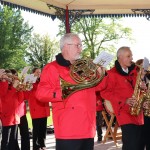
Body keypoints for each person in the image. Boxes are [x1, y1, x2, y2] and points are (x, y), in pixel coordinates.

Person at [36, 33, 104, 150]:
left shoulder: (83, 67)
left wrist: (101, 74)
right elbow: (40, 94)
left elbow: (99, 87)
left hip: (88, 127)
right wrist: (63, 92)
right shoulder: (51, 67)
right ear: (66, 46)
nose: (80, 49)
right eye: (77, 45)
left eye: (81, 45)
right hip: (68, 129)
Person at [98, 47, 145, 150]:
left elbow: (137, 91)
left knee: (140, 144)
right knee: (131, 145)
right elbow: (104, 93)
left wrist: (142, 88)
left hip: (138, 112)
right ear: (120, 57)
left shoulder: (134, 72)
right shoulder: (111, 74)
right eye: (128, 56)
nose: (131, 58)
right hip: (124, 113)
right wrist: (124, 100)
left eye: (131, 56)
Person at [24, 67, 50, 150]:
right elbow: (27, 93)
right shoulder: (30, 82)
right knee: (36, 129)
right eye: (37, 72)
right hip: (36, 108)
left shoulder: (42, 81)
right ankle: (36, 146)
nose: (39, 73)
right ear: (33, 73)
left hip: (43, 107)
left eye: (40, 72)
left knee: (43, 128)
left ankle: (42, 145)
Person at [0, 69, 24, 150]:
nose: (10, 78)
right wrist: (13, 87)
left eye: (10, 76)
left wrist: (19, 89)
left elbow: (20, 100)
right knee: (5, 141)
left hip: (15, 116)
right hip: (7, 116)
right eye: (8, 76)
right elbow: (5, 99)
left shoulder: (12, 87)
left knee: (13, 140)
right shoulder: (2, 86)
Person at [10, 69, 30, 150]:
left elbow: (25, 97)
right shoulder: (8, 86)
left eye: (16, 75)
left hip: (22, 113)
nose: (15, 77)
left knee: (25, 133)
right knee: (13, 135)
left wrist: (25, 88)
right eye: (14, 76)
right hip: (13, 114)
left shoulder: (19, 85)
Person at [135, 59, 150, 150]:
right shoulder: (135, 78)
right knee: (141, 138)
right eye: (142, 65)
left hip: (147, 111)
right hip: (139, 111)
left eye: (146, 65)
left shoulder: (147, 79)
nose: (145, 67)